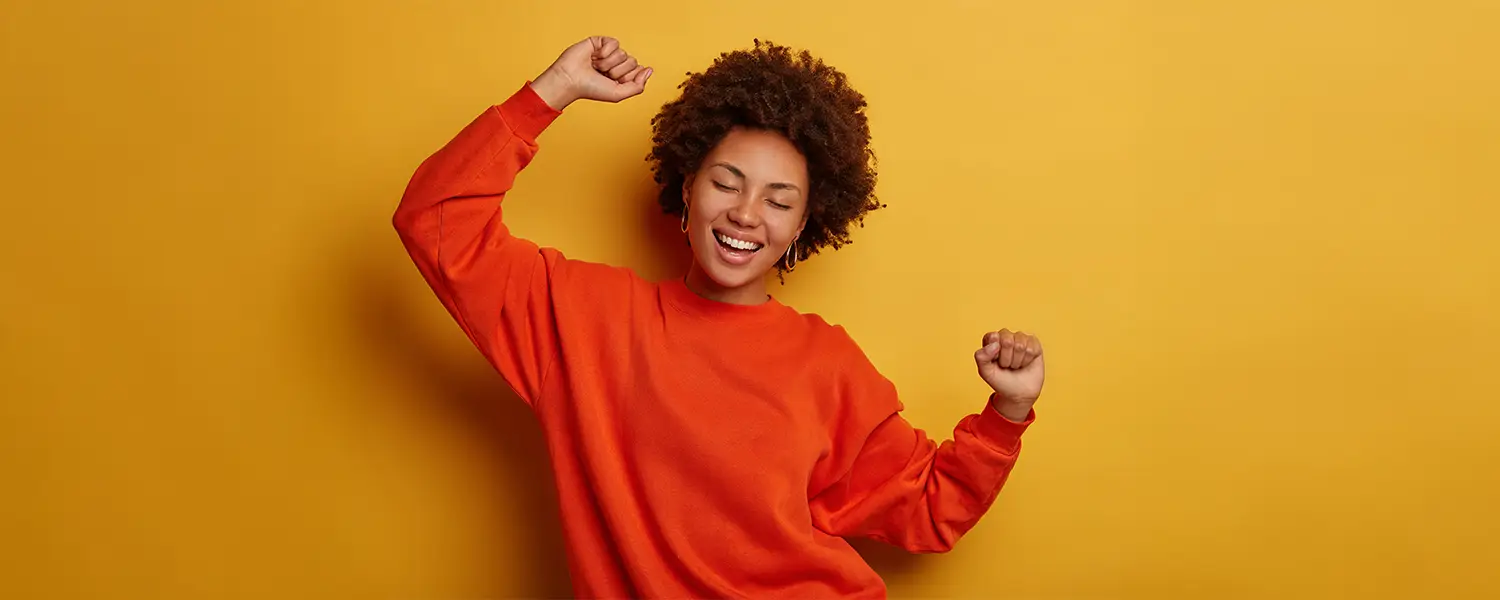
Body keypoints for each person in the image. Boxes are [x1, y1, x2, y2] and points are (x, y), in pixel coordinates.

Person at [393, 35, 1046, 599]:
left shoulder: (826, 365)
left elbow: (931, 511)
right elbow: (437, 220)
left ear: (800, 227)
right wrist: (553, 90)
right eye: (727, 182)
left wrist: (1007, 413)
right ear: (685, 187)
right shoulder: (582, 317)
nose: (746, 213)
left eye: (779, 200)